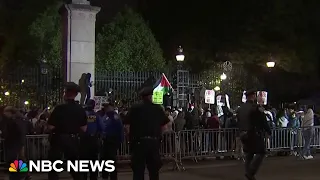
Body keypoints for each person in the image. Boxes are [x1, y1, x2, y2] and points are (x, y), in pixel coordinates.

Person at [125, 86, 170, 180]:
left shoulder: (135, 108)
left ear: (142, 97)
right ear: (151, 97)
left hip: (138, 143)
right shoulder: (158, 108)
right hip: (153, 143)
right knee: (154, 172)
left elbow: (127, 126)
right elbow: (165, 127)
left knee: (138, 171)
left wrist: (131, 137)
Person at [47, 82, 88, 180]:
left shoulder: (59, 108)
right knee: (74, 167)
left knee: (54, 167)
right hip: (73, 140)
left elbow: (50, 126)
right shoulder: (80, 109)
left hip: (58, 139)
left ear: (66, 93)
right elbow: (84, 128)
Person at [237, 89, 271, 180]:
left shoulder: (240, 108)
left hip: (242, 133)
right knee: (261, 152)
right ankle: (251, 172)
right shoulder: (255, 107)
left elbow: (238, 120)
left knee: (249, 153)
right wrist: (268, 130)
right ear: (253, 96)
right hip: (252, 133)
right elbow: (262, 120)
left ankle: (248, 173)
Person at [80, 99, 104, 180]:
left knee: (84, 162)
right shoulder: (95, 116)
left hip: (83, 141)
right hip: (92, 140)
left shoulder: (83, 115)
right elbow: (102, 128)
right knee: (93, 163)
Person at [101, 103, 124, 180]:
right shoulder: (105, 116)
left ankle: (113, 177)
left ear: (111, 107)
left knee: (111, 160)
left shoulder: (115, 117)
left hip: (112, 141)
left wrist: (118, 142)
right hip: (106, 141)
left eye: (107, 106)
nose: (106, 108)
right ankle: (105, 176)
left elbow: (119, 130)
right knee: (104, 160)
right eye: (105, 107)